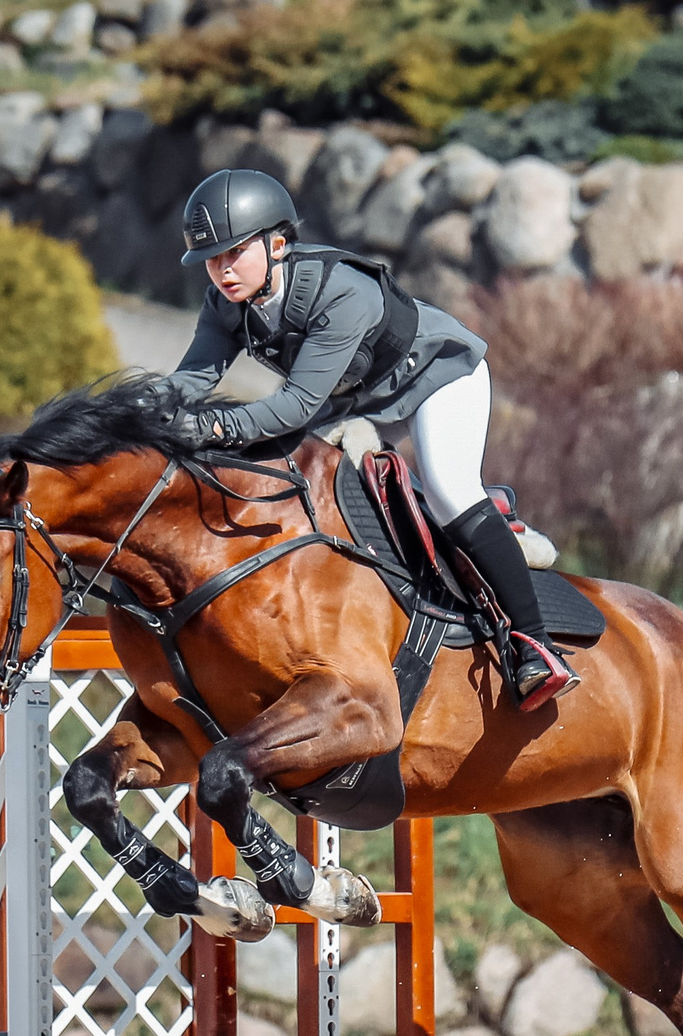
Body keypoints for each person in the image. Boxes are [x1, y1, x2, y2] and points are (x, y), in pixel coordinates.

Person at [163, 168, 577, 710]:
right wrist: (135, 415)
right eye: (212, 259)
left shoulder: (341, 290)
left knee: (451, 491)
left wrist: (217, 426)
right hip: (357, 402)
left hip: (433, 375)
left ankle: (534, 644)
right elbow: (191, 380)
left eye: (234, 252)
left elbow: (295, 406)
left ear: (279, 243)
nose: (222, 271)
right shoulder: (226, 305)